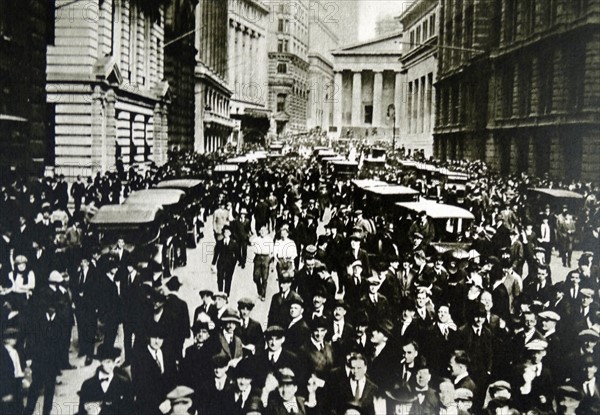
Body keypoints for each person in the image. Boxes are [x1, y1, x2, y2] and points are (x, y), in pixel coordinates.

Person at [77, 345, 133, 415]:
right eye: (108, 362)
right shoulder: (88, 385)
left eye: (114, 362)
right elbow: (81, 412)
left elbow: (130, 410)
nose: (112, 366)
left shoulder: (124, 383)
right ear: (100, 362)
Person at [212, 225, 240, 295]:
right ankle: (220, 293)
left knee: (228, 279)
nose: (226, 233)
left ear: (230, 233)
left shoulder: (234, 243)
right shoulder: (219, 242)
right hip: (221, 263)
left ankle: (226, 294)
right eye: (225, 232)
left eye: (228, 232)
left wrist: (235, 262)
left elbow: (237, 254)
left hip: (230, 264)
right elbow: (216, 253)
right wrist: (213, 263)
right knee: (220, 279)